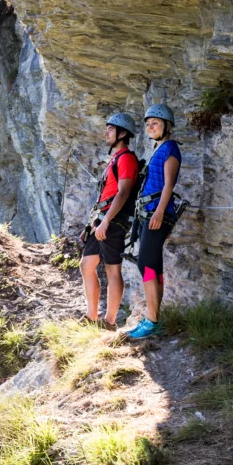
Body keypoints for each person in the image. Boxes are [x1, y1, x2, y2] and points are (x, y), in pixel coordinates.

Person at [79, 113, 139, 331]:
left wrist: (105, 223)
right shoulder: (114, 159)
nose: (106, 132)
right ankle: (91, 316)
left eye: (111, 129)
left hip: (113, 221)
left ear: (122, 134)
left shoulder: (126, 159)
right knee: (86, 265)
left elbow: (122, 194)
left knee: (113, 270)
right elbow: (106, 194)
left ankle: (110, 322)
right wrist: (92, 223)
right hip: (103, 219)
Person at [128, 104, 182, 339]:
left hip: (156, 214)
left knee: (146, 263)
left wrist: (160, 212)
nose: (151, 126)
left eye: (156, 123)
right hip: (148, 214)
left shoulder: (170, 148)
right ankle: (154, 316)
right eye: (148, 123)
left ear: (166, 126)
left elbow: (169, 184)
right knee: (152, 265)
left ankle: (152, 320)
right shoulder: (159, 149)